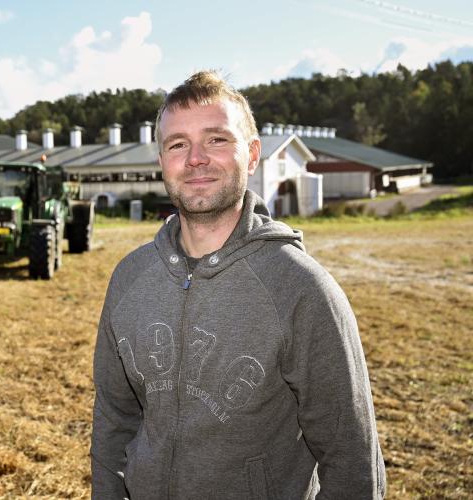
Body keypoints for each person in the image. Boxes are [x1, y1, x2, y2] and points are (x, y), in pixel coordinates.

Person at [90, 71, 385, 499]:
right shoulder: (129, 279)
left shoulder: (302, 290)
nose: (195, 158)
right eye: (177, 144)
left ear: (251, 155)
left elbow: (352, 462)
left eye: (216, 139)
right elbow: (113, 420)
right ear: (161, 162)